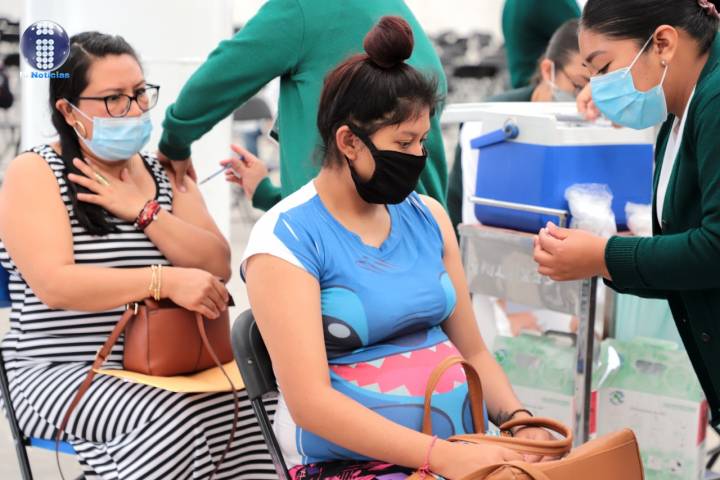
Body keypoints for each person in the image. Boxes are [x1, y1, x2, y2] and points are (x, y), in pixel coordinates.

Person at [240, 17, 553, 480]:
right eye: (403, 142)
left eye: (422, 141)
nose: (417, 157)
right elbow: (311, 403)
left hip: (460, 452)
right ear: (349, 141)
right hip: (352, 464)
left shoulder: (428, 217)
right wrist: (439, 456)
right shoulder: (286, 239)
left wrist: (520, 422)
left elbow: (474, 353)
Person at [0, 32, 276, 479]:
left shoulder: (160, 172)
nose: (133, 110)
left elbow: (216, 265)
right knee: (174, 418)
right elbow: (54, 284)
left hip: (167, 363)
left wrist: (146, 212)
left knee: (263, 404)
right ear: (68, 111)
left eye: (139, 93)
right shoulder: (35, 172)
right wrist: (163, 280)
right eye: (114, 99)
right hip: (58, 371)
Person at [533, 0, 720, 427]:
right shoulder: (678, 115)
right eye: (590, 77)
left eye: (604, 69)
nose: (599, 88)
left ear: (663, 43)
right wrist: (600, 261)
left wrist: (603, 256)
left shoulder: (714, 102)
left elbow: (714, 248)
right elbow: (687, 268)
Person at [157, 0, 449, 212]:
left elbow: (216, 80)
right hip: (428, 237)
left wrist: (174, 144)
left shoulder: (303, 8)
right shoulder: (397, 15)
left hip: (350, 247)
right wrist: (268, 195)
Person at [448, 18, 588, 231]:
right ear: (547, 70)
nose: (586, 97)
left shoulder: (594, 121)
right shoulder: (492, 121)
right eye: (579, 86)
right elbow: (465, 210)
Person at [502, 0, 582, 89]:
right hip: (543, 87)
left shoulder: (512, 3)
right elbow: (584, 38)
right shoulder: (548, 3)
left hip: (522, 86)